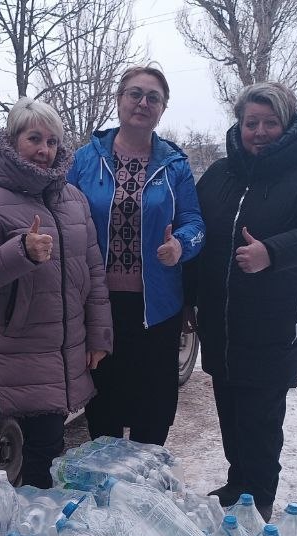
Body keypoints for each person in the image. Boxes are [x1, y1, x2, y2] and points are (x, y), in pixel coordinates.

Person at [188, 81, 297, 518]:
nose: (259, 131)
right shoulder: (221, 175)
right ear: (239, 125)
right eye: (251, 122)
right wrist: (188, 299)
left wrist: (270, 253)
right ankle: (239, 484)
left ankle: (259, 500)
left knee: (260, 417)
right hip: (220, 322)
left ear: (287, 124)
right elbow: (197, 233)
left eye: (270, 123)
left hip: (275, 322)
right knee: (230, 409)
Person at [0, 98, 113, 489]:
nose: (44, 150)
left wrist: (99, 336)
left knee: (49, 447)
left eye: (52, 141)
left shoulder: (73, 200)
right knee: (42, 449)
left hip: (67, 346)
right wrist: (21, 252)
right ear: (13, 140)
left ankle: (37, 514)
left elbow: (93, 272)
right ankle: (32, 517)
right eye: (34, 139)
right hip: (21, 344)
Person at [68, 65, 205, 446]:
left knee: (153, 411)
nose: (143, 103)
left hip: (157, 308)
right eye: (135, 94)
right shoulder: (84, 160)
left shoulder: (175, 165)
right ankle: (106, 479)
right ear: (118, 100)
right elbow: (60, 215)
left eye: (153, 98)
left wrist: (180, 245)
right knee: (104, 408)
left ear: (162, 109)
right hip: (98, 303)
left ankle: (146, 478)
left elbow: (195, 223)